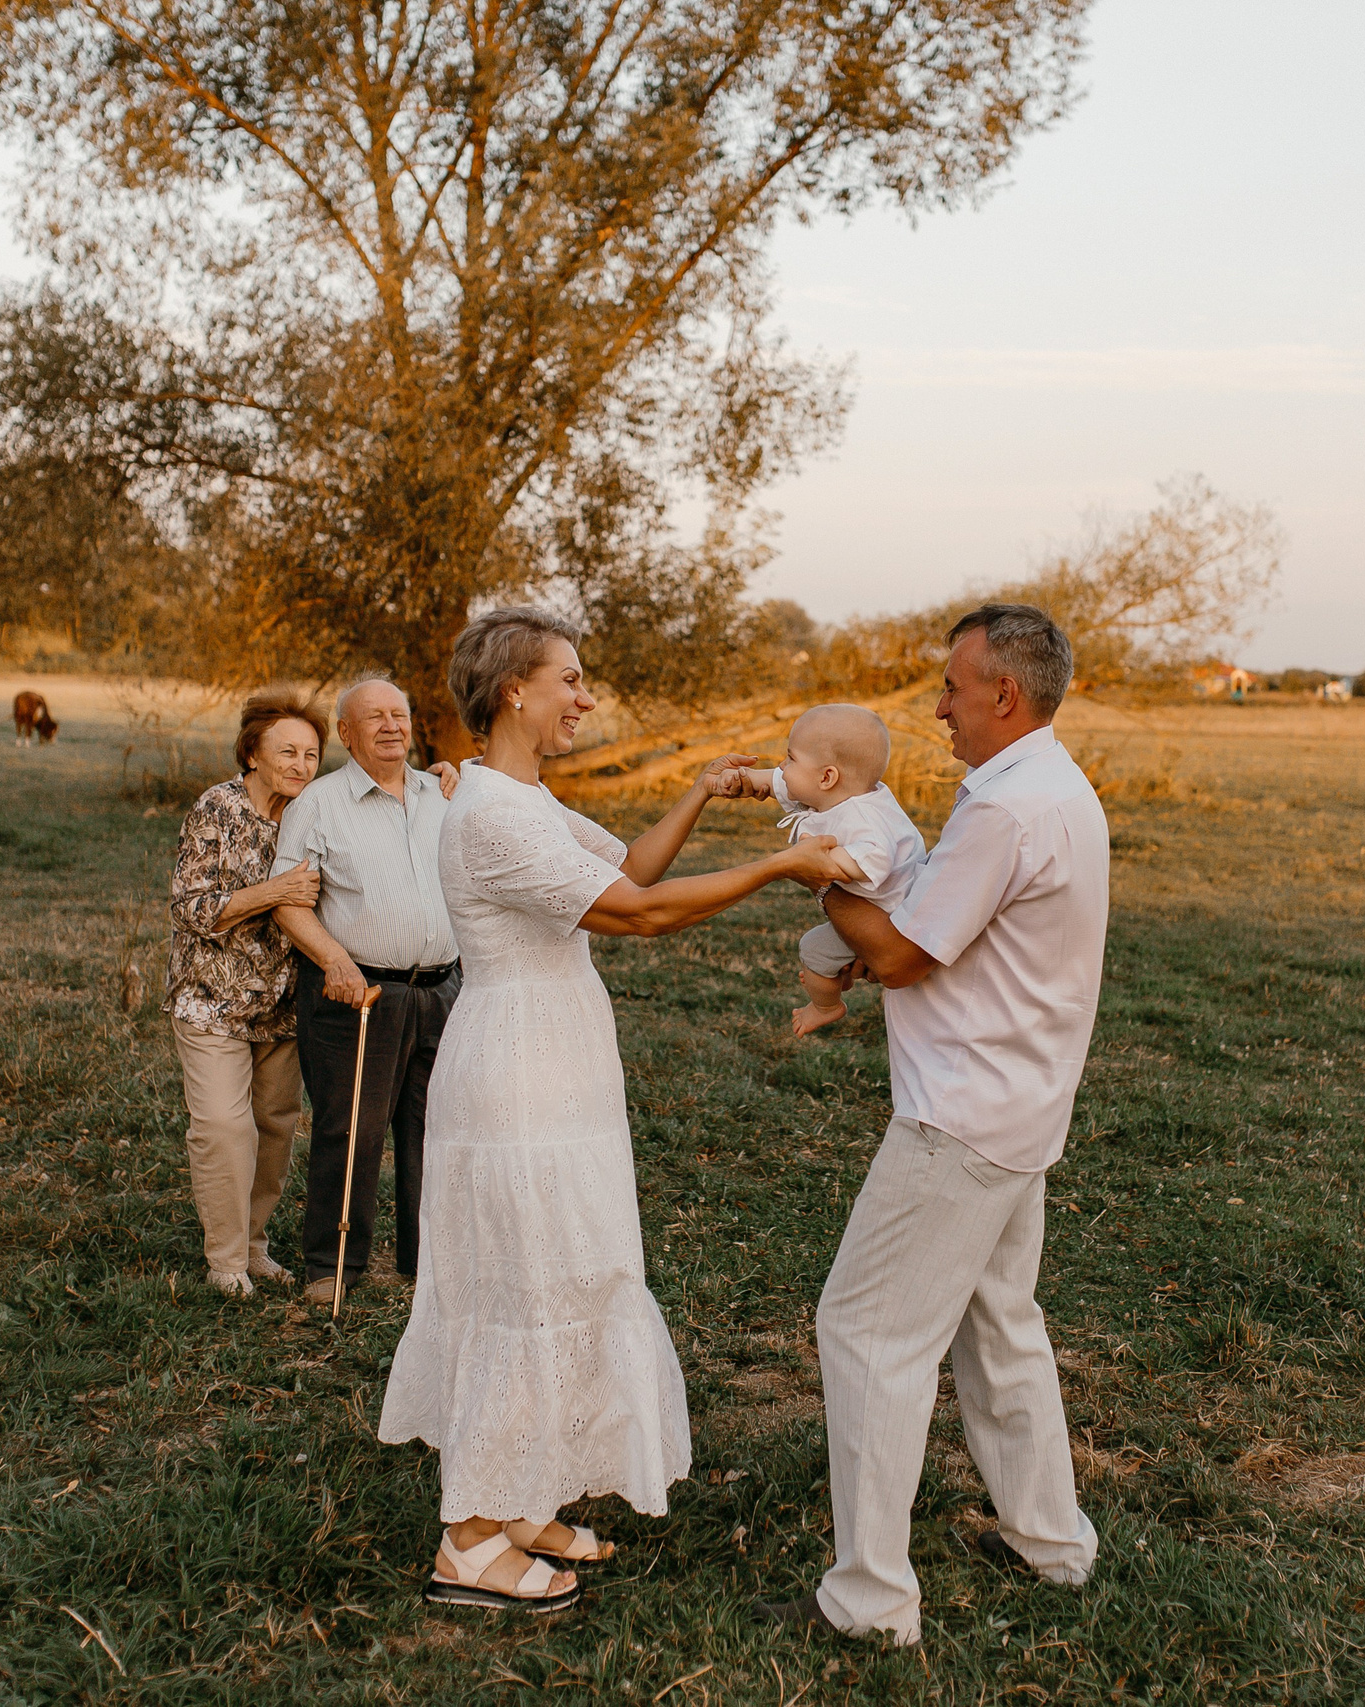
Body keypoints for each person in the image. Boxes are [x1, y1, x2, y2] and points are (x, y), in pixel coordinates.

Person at [375, 606, 861, 1612]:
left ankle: (523, 1501)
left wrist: (695, 793)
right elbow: (636, 915)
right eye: (571, 679)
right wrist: (779, 864)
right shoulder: (494, 816)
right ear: (515, 689)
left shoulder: (526, 797)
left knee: (562, 1273)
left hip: (559, 1064)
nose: (586, 699)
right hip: (514, 1078)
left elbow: (630, 868)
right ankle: (467, 1543)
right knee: (520, 1286)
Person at [758, 603, 1105, 1648]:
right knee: (999, 1324)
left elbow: (908, 953)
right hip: (1018, 1102)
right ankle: (1050, 1543)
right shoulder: (1048, 786)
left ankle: (868, 1604)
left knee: (864, 1330)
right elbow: (940, 936)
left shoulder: (1008, 809)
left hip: (962, 1114)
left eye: (951, 688)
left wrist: (819, 879)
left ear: (1003, 693)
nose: (937, 705)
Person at [271, 675, 461, 1308]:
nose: (391, 725)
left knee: (434, 1129)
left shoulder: (444, 794)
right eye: (373, 716)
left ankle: (425, 1262)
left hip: (442, 990)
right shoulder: (318, 806)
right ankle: (331, 1266)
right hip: (358, 992)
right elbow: (289, 903)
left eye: (399, 714)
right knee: (349, 1129)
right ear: (346, 734)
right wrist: (334, 960)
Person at [163, 688, 328, 1296]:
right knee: (223, 1130)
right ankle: (226, 1263)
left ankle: (255, 1246)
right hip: (211, 999)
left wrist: (443, 774)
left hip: (282, 1007)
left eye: (311, 755)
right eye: (286, 751)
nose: (300, 765)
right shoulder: (218, 809)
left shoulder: (315, 812)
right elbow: (189, 909)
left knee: (274, 1128)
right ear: (252, 752)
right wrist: (275, 891)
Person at [744, 704, 929, 1036]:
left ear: (827, 777)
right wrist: (745, 779)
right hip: (884, 910)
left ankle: (825, 1006)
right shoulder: (846, 793)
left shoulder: (863, 818)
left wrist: (822, 861)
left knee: (812, 948)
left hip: (888, 920)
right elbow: (782, 782)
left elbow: (875, 859)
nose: (782, 766)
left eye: (790, 758)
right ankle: (837, 970)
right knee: (825, 955)